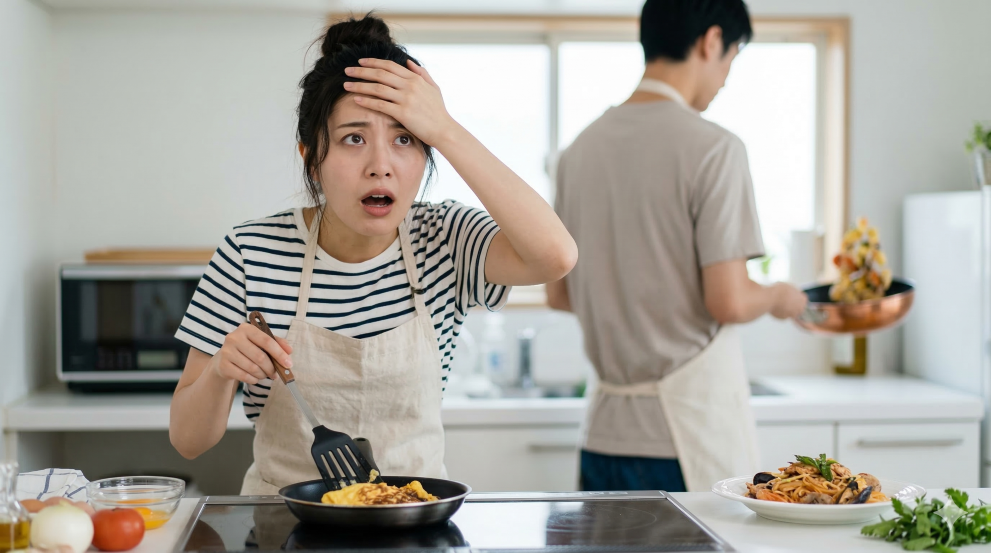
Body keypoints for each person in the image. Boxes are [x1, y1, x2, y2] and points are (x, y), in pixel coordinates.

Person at [168, 14, 577, 495]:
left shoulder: (444, 238)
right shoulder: (250, 252)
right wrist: (220, 371)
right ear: (310, 158)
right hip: (283, 526)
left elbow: (557, 255)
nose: (380, 166)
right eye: (353, 139)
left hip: (413, 522)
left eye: (404, 139)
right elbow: (188, 441)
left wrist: (445, 129)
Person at [547, 0, 807, 492]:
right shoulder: (715, 148)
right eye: (732, 57)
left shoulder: (577, 151)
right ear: (711, 41)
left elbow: (560, 296)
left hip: (603, 438)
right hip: (682, 444)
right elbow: (728, 300)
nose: (727, 76)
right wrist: (777, 297)